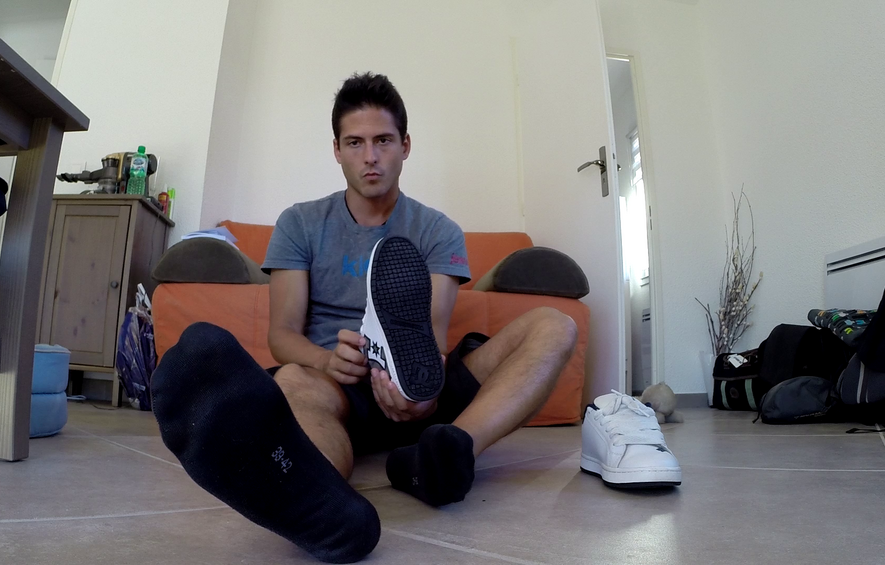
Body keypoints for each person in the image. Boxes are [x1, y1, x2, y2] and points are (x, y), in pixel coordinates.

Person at [151, 73, 578, 564]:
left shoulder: (438, 230)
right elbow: (283, 334)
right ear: (337, 150)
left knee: (554, 325)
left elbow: (432, 336)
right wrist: (326, 361)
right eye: (355, 142)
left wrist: (423, 389)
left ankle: (451, 451)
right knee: (293, 381)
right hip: (336, 386)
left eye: (383, 141)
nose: (370, 156)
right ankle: (311, 498)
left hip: (424, 387)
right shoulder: (300, 222)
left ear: (405, 146)